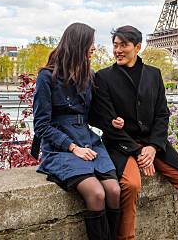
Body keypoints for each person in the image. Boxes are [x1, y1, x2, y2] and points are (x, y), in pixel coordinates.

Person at [90, 25, 178, 240]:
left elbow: (162, 114)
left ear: (138, 47)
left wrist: (153, 146)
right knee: (131, 185)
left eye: (124, 45)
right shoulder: (103, 78)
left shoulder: (153, 74)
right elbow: (106, 122)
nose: (118, 50)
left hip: (152, 143)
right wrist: (138, 151)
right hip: (121, 144)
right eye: (115, 45)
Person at [33, 23, 121, 240]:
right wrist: (73, 148)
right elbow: (41, 125)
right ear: (78, 44)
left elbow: (90, 115)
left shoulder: (87, 74)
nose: (94, 47)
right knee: (96, 193)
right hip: (61, 146)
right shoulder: (46, 77)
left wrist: (111, 122)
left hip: (88, 141)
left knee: (114, 191)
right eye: (90, 43)